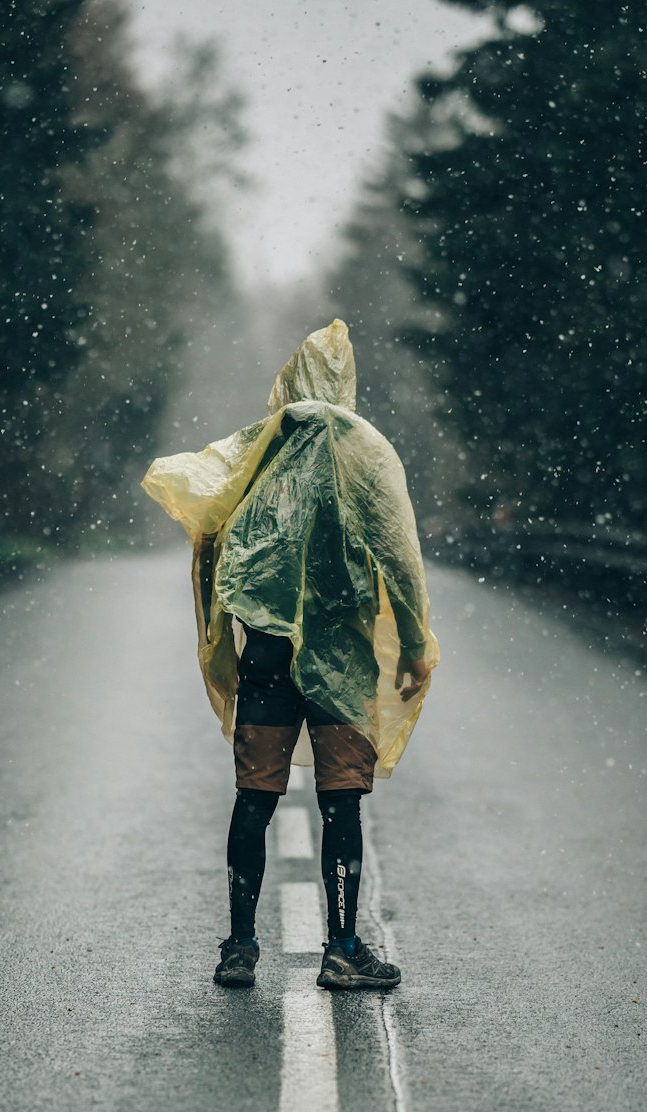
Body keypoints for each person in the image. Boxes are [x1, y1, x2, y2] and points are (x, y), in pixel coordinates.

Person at [142, 319, 438, 990]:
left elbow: (212, 526)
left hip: (268, 654)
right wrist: (415, 644)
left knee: (255, 797)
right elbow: (397, 550)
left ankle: (240, 947)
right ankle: (340, 948)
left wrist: (227, 626)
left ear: (293, 380)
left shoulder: (262, 448)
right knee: (340, 803)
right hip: (342, 655)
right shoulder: (365, 450)